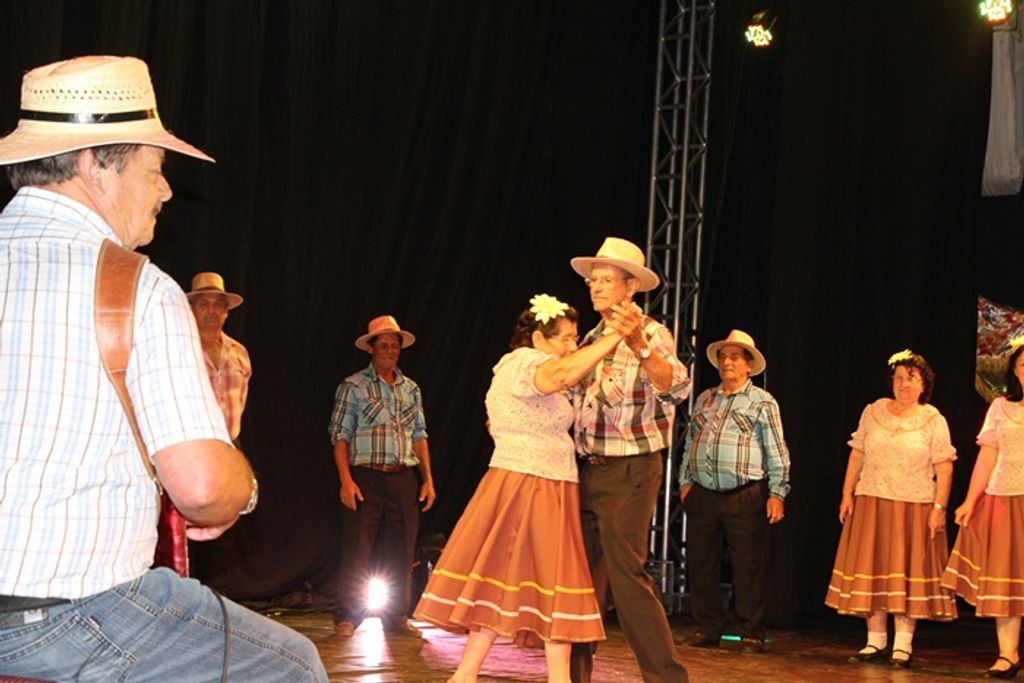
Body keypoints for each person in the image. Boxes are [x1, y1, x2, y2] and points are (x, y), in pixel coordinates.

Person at [0, 56, 326, 681]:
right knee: (291, 665)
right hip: (71, 614)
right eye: (155, 170)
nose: (168, 190)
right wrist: (243, 490)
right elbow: (202, 491)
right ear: (95, 161)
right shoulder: (134, 287)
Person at [415, 294, 635, 683]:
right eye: (564, 338)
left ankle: (471, 674)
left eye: (575, 337)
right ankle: (544, 678)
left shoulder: (530, 367)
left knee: (519, 576)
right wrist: (615, 334)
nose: (572, 345)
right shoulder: (524, 363)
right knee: (551, 575)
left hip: (544, 479)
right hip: (530, 481)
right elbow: (563, 375)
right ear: (537, 338)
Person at [569, 237, 691, 683]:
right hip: (586, 469)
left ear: (630, 288)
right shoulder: (589, 337)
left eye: (605, 280)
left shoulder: (653, 333)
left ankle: (667, 679)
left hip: (631, 469)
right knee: (578, 579)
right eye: (592, 281)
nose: (596, 288)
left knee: (626, 576)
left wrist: (640, 344)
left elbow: (676, 387)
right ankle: (573, 675)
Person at [825, 350, 956, 668]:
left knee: (905, 572)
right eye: (898, 378)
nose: (903, 384)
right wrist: (847, 494)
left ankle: (903, 644)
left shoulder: (933, 419)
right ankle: (875, 640)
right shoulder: (873, 411)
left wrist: (939, 507)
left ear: (923, 383)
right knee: (873, 569)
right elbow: (857, 455)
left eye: (910, 378)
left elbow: (945, 468)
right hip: (872, 500)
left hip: (914, 505)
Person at [679, 329, 791, 655]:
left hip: (745, 493)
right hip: (703, 493)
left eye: (734, 357)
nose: (727, 362)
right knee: (702, 563)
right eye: (723, 357)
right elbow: (691, 442)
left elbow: (776, 449)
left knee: (749, 565)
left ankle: (751, 631)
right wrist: (685, 482)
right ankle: (707, 627)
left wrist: (777, 493)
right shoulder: (705, 398)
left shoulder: (762, 402)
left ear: (749, 365)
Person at [328, 314, 437, 638]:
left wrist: (428, 479)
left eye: (395, 346)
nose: (390, 350)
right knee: (358, 547)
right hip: (366, 476)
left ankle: (396, 615)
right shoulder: (353, 386)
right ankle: (348, 614)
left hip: (403, 476)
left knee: (401, 548)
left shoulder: (410, 389)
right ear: (371, 349)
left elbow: (420, 435)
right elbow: (339, 436)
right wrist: (346, 480)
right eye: (384, 345)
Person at [943, 340, 1024, 679]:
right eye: (1022, 364)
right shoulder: (1001, 407)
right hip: (1003, 496)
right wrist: (970, 500)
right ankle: (1008, 654)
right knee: (1005, 581)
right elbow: (987, 457)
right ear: (1014, 371)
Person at [187, 271, 252, 443]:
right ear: (192, 310)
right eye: (203, 304)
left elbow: (240, 401)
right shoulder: (181, 350)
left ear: (226, 311)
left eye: (218, 305)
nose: (211, 311)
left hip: (230, 446)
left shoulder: (239, 352)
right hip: (192, 448)